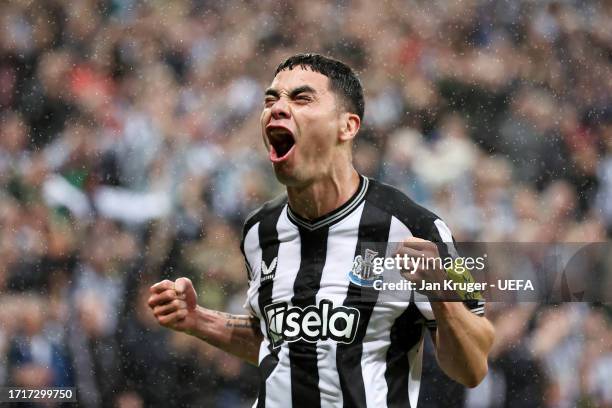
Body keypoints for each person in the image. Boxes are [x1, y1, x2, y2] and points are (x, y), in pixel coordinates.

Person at [148, 53, 495, 408]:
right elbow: (282, 344)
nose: (277, 108)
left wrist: (443, 297)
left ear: (347, 127)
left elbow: (472, 367)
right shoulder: (259, 231)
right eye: (271, 100)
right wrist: (198, 320)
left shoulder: (415, 227)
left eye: (301, 98)